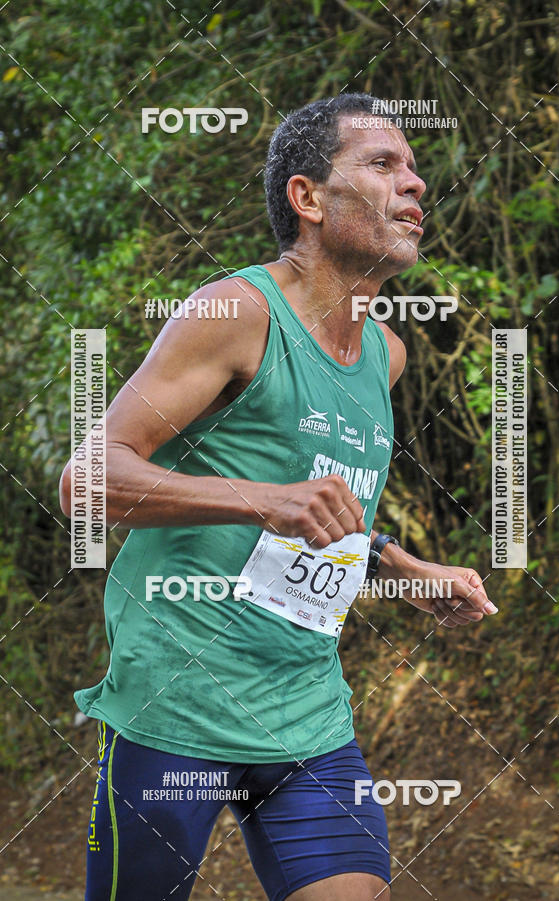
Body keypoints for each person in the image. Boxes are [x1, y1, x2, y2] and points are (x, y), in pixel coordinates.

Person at [60, 93, 496, 901]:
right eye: (382, 164)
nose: (416, 183)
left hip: (306, 714)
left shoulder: (386, 357)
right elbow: (89, 479)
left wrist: (403, 567)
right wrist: (264, 499)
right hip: (177, 705)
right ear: (308, 199)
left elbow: (325, 515)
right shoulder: (236, 311)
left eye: (413, 165)